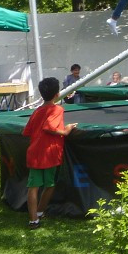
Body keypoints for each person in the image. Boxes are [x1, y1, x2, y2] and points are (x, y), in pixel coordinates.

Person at [22, 77, 77, 229]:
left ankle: (34, 218)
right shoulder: (57, 109)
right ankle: (39, 212)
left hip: (35, 153)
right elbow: (49, 126)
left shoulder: (37, 111)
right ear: (57, 94)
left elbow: (26, 131)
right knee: (50, 184)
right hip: (50, 153)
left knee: (33, 187)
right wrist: (65, 131)